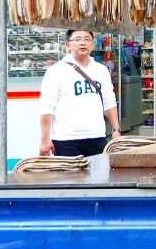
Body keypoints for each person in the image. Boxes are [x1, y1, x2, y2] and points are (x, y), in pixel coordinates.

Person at [39, 29, 121, 157]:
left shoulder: (101, 70)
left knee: (100, 176)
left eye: (87, 39)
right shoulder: (56, 71)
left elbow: (109, 102)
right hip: (65, 139)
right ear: (67, 45)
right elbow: (47, 108)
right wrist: (45, 139)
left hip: (97, 136)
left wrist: (116, 130)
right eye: (77, 39)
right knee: (70, 177)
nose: (82, 43)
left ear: (92, 44)